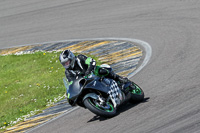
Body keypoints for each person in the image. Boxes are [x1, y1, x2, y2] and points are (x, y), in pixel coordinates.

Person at [59, 49, 133, 92]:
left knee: (101, 71)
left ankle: (120, 78)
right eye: (64, 64)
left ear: (71, 58)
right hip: (85, 83)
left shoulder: (80, 58)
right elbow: (71, 83)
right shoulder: (68, 72)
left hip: (93, 73)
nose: (66, 65)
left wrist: (88, 71)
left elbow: (91, 61)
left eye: (67, 62)